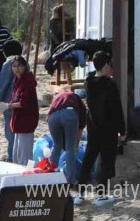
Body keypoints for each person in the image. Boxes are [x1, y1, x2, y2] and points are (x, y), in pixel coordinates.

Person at [77, 51, 125, 207]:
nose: (111, 68)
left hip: (93, 126)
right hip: (108, 128)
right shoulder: (110, 85)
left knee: (89, 158)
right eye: (110, 65)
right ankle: (100, 195)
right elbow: (116, 109)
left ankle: (80, 193)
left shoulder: (88, 82)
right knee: (106, 160)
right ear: (105, 65)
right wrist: (122, 130)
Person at [47, 89, 87, 185]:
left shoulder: (57, 97)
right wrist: (76, 146)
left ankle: (51, 176)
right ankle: (70, 180)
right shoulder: (76, 98)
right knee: (70, 148)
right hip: (69, 113)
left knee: (56, 146)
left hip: (52, 117)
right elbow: (80, 129)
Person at [0, 39, 23, 162]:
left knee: (10, 130)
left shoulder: (9, 63)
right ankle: (19, 157)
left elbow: (2, 84)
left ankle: (11, 157)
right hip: (22, 100)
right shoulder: (24, 63)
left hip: (9, 102)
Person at [8, 56, 38, 166]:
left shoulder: (28, 81)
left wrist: (8, 106)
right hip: (18, 122)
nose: (16, 69)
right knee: (16, 155)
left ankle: (28, 177)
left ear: (25, 66)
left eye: (19, 66)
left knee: (25, 156)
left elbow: (24, 102)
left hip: (26, 121)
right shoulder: (17, 80)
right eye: (14, 66)